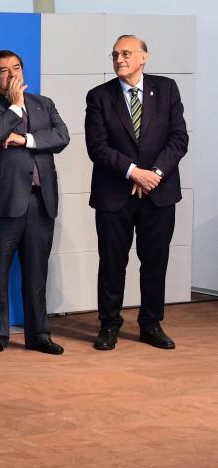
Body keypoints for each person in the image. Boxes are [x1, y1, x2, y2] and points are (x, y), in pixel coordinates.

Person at [85, 35, 189, 351]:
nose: (119, 59)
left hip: (159, 192)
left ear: (143, 57)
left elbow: (178, 139)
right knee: (113, 262)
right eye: (115, 54)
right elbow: (97, 147)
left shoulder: (167, 88)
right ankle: (109, 325)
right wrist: (134, 172)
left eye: (126, 53)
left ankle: (151, 324)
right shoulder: (98, 96)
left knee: (155, 261)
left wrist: (154, 175)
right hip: (114, 194)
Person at [0, 50, 70, 357]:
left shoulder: (43, 103)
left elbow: (61, 136)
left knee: (37, 274)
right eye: (3, 70)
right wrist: (14, 107)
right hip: (0, 204)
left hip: (40, 202)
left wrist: (25, 139)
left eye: (16, 68)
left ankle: (38, 334)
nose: (11, 75)